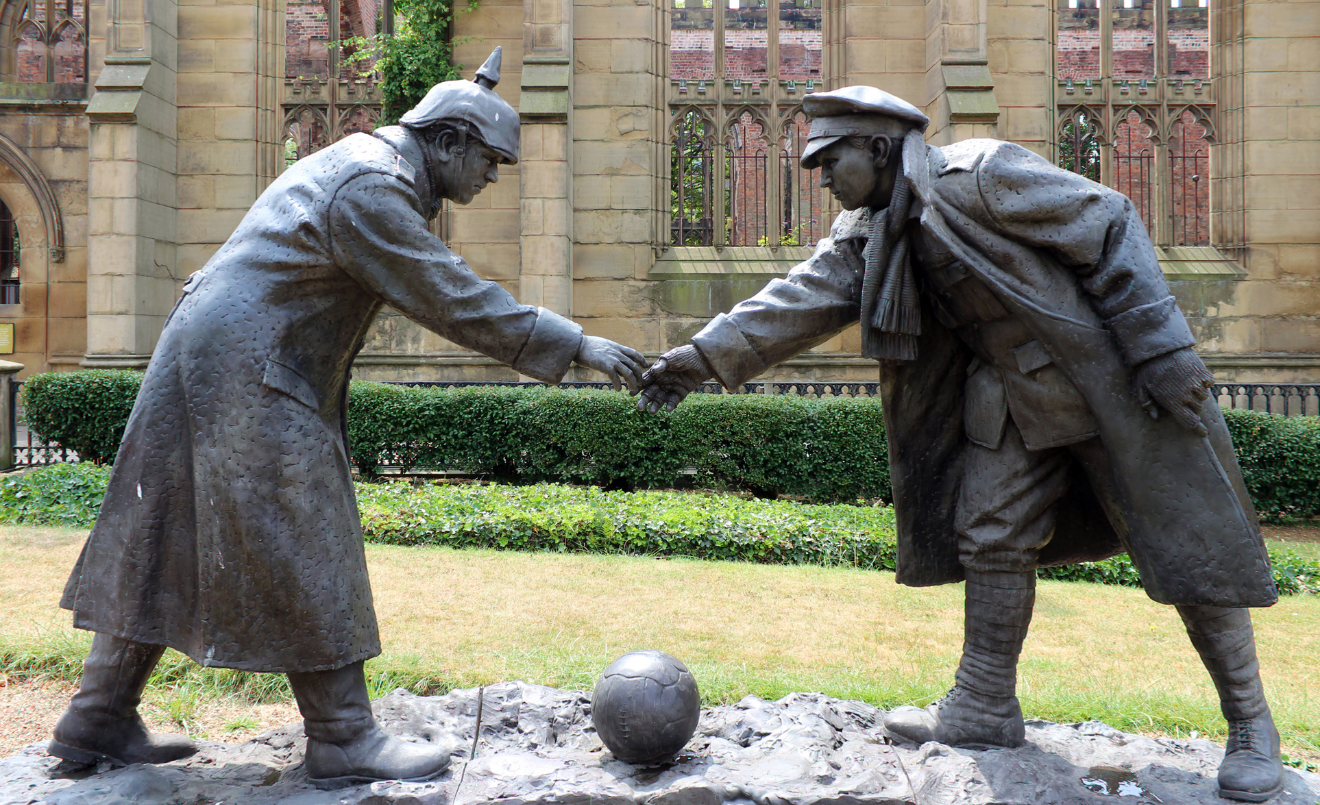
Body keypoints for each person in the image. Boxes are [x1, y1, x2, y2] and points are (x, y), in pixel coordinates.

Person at [636, 85, 1283, 802]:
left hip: (1107, 383)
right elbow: (804, 295)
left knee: (1187, 543)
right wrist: (699, 357)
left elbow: (1109, 220)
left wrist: (1163, 349)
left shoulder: (982, 174)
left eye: (830, 161)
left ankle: (1250, 723)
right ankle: (984, 704)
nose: (821, 179)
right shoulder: (870, 226)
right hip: (1007, 396)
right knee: (991, 533)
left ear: (877, 148)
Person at [51, 48, 647, 788]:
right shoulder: (372, 186)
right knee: (308, 529)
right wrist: (578, 343)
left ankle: (98, 715)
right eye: (491, 161)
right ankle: (341, 735)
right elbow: (448, 293)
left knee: (161, 526)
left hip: (210, 355)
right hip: (249, 366)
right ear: (449, 141)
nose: (493, 178)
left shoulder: (370, 168)